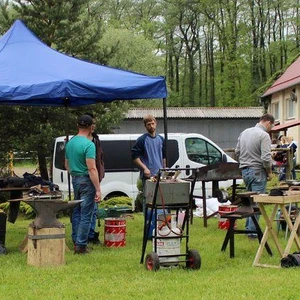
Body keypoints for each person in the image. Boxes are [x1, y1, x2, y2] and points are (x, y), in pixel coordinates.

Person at [65, 114, 101, 254]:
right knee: (87, 213)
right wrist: (97, 189)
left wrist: (75, 173)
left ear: (78, 126)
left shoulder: (70, 143)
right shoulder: (89, 145)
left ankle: (75, 239)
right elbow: (92, 168)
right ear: (91, 127)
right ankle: (80, 246)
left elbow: (66, 164)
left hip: (75, 179)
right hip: (86, 180)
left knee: (76, 211)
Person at [235, 113, 274, 239]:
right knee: (257, 203)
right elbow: (266, 158)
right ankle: (252, 232)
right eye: (271, 126)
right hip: (257, 171)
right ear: (268, 122)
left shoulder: (244, 132)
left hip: (245, 171)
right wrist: (269, 172)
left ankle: (248, 228)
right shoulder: (264, 135)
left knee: (249, 202)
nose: (271, 129)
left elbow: (237, 152)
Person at [131, 115, 166, 213]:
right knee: (149, 201)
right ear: (145, 126)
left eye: (152, 123)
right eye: (148, 124)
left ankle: (160, 222)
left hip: (160, 175)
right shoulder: (142, 140)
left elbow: (164, 157)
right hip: (148, 177)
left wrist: (165, 169)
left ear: (156, 123)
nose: (151, 126)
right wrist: (144, 168)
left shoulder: (161, 139)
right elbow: (134, 157)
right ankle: (148, 222)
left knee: (160, 200)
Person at [86, 113, 105, 245]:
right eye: (91, 123)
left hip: (96, 176)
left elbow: (100, 159)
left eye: (94, 124)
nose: (93, 126)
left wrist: (100, 174)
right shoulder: (83, 141)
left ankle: (91, 233)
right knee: (86, 209)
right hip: (86, 177)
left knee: (93, 209)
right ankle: (85, 235)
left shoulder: (96, 139)